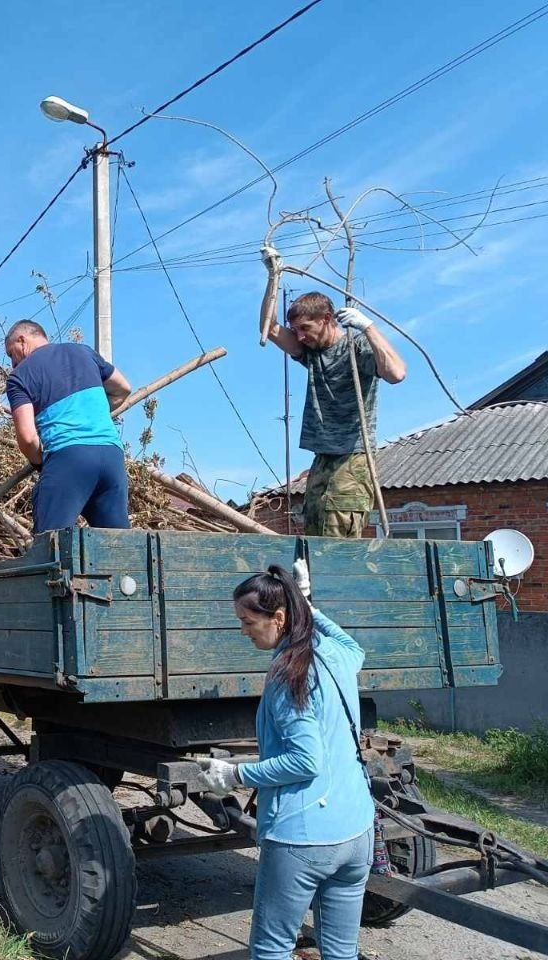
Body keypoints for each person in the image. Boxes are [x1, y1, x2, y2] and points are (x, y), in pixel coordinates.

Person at [199, 563, 374, 960]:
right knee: (341, 951)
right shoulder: (336, 655)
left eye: (247, 621)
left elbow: (305, 761)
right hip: (357, 830)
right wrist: (306, 605)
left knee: (272, 949)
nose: (243, 631)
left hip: (304, 836)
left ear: (278, 618)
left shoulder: (287, 675)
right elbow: (354, 646)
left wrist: (235, 774)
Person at [262, 267, 407, 537]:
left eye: (305, 328)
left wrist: (368, 327)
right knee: (314, 528)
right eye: (296, 330)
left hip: (353, 455)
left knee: (339, 532)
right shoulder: (311, 353)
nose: (300, 336)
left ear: (328, 319)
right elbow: (269, 328)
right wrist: (273, 276)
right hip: (323, 457)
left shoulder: (357, 347)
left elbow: (396, 373)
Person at [3, 319, 133, 534]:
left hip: (68, 458)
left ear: (22, 340)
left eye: (11, 353)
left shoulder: (20, 375)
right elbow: (123, 389)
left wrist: (41, 463)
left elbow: (27, 438)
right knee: (118, 547)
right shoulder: (83, 352)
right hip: (112, 457)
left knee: (50, 546)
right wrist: (94, 413)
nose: (13, 363)